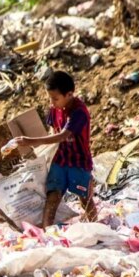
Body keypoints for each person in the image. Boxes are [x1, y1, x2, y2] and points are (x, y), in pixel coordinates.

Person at [12, 70, 97, 227]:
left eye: (55, 98)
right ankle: (47, 232)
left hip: (79, 161)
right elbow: (53, 132)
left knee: (84, 198)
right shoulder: (54, 109)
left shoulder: (79, 112)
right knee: (53, 196)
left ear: (69, 95)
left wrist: (30, 141)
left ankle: (97, 228)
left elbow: (62, 136)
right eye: (50, 98)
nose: (52, 102)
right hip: (60, 159)